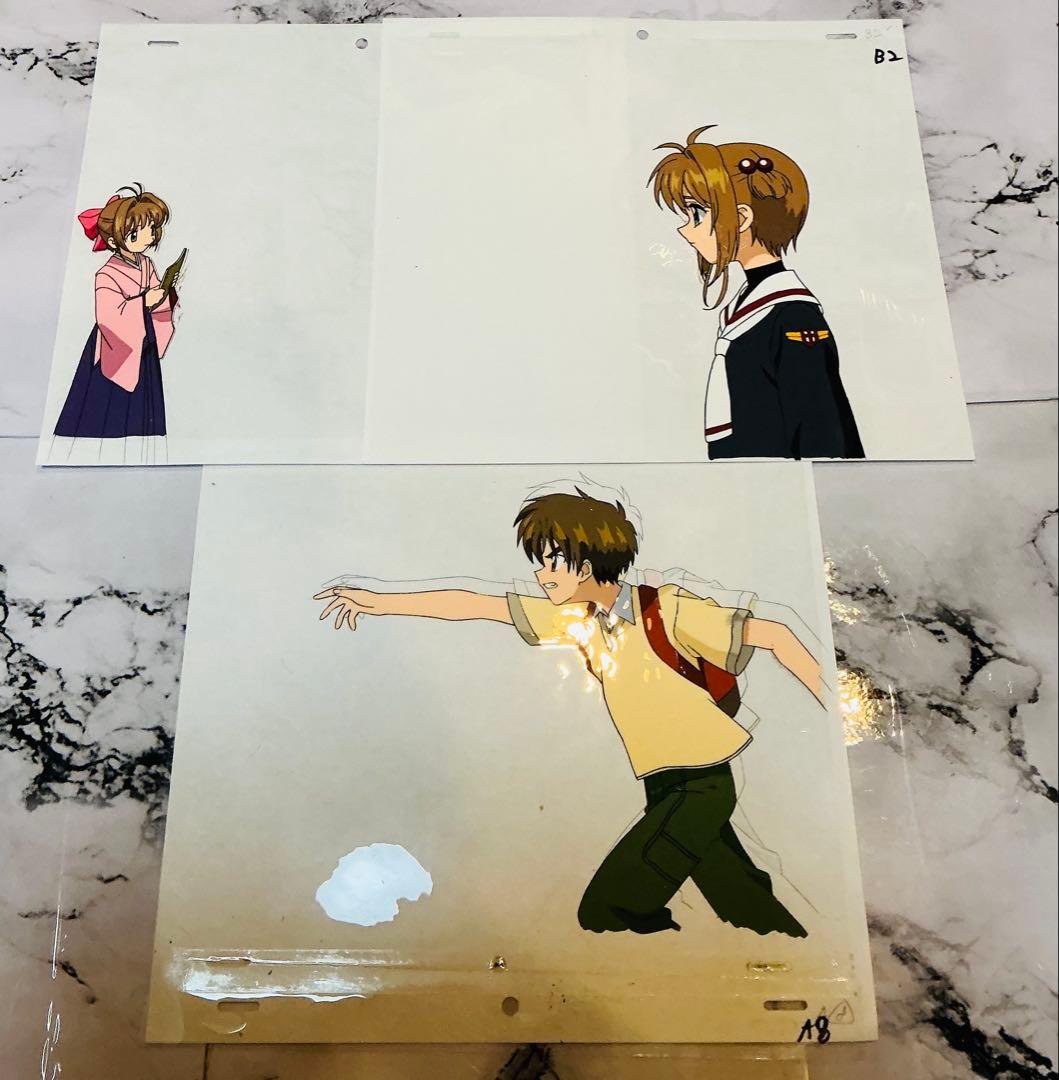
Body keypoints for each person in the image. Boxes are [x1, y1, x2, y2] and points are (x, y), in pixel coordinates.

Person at [314, 488, 825, 938]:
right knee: (743, 902)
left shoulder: (666, 608)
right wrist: (377, 601)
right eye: (538, 562)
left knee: (607, 910)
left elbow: (775, 634)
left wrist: (835, 706)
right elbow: (479, 604)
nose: (541, 574)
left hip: (702, 784)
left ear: (586, 562)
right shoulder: (578, 619)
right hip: (663, 781)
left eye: (551, 561)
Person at [650, 126, 864, 460]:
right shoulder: (745, 307)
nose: (685, 229)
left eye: (697, 213)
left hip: (783, 478)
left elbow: (820, 426)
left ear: (741, 218)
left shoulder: (793, 314)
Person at [53, 184, 179, 441]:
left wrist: (165, 295)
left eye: (151, 229)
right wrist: (143, 302)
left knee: (143, 402)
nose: (148, 236)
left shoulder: (146, 264)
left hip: (143, 341)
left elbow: (157, 298)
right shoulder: (106, 274)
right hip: (116, 343)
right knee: (106, 405)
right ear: (113, 241)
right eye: (137, 232)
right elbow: (108, 316)